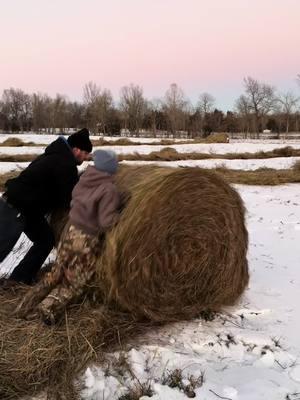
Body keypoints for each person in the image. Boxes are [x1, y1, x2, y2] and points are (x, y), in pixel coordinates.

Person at [15, 149, 121, 324]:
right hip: (86, 239)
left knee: (56, 272)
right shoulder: (109, 189)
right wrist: (120, 216)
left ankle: (24, 304)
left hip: (70, 231)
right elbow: (105, 221)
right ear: (110, 168)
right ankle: (47, 309)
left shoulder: (84, 179)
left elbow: (73, 201)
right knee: (75, 280)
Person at [0, 128, 93, 285]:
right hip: (16, 207)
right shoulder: (65, 163)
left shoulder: (55, 155)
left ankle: (19, 279)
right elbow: (68, 199)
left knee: (45, 239)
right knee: (2, 245)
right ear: (76, 149)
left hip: (26, 208)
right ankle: (19, 278)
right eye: (85, 153)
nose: (86, 157)